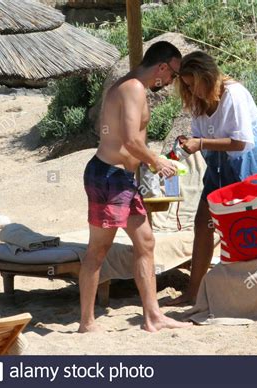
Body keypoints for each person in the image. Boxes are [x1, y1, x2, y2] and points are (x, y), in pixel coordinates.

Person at [80, 41, 192, 332]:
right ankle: (86, 323)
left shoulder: (130, 86)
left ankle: (152, 316)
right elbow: (130, 140)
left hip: (122, 179)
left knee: (145, 243)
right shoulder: (133, 88)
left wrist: (147, 166)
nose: (170, 83)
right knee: (98, 250)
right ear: (162, 67)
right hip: (109, 177)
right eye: (173, 76)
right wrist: (158, 162)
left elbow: (129, 142)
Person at [167, 51, 257, 305]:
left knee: (246, 225)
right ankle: (193, 292)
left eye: (194, 84)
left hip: (247, 163)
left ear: (208, 76)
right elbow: (202, 140)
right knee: (203, 221)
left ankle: (251, 289)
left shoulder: (233, 95)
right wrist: (188, 144)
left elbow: (242, 142)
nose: (192, 91)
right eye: (187, 86)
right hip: (217, 164)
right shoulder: (199, 103)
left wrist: (201, 142)